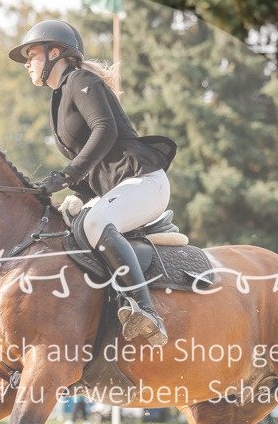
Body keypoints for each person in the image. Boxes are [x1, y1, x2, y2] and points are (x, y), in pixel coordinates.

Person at [10, 20, 178, 347]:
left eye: (32, 55)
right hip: (116, 190)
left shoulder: (81, 80)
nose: (27, 63)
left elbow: (105, 130)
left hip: (144, 182)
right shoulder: (58, 99)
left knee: (98, 222)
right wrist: (72, 194)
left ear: (55, 52)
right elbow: (93, 163)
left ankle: (145, 311)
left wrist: (66, 175)